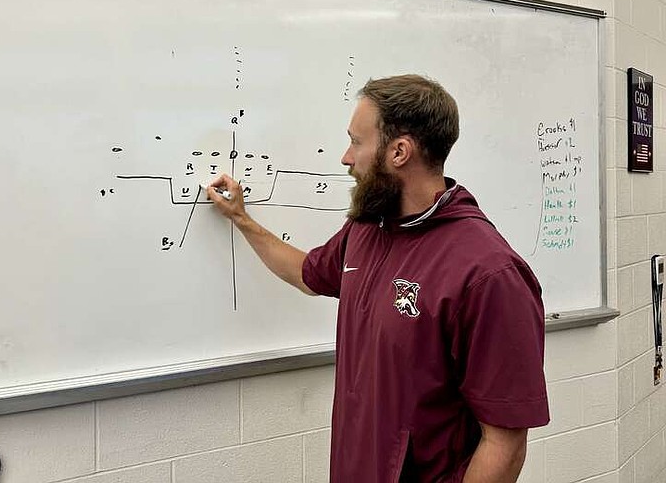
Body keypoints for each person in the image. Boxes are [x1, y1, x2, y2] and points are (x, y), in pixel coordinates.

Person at [207, 74, 549, 483]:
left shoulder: (488, 274)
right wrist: (242, 220)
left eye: (356, 141)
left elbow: (505, 444)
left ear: (399, 151)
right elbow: (307, 272)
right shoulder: (369, 228)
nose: (346, 157)